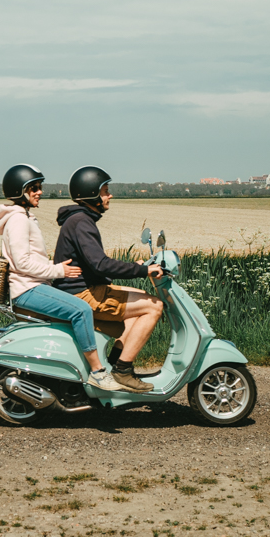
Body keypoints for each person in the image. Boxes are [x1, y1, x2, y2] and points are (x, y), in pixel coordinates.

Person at [0, 164, 122, 392]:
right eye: (33, 188)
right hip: (27, 290)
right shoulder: (18, 220)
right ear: (18, 191)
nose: (39, 192)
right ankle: (98, 373)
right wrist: (59, 272)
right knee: (81, 309)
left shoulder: (24, 217)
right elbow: (22, 263)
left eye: (39, 187)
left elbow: (30, 258)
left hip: (33, 286)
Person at [52, 166, 165, 393]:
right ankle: (123, 370)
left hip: (82, 288)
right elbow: (100, 263)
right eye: (105, 191)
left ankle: (115, 362)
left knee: (141, 297)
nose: (109, 195)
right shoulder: (82, 222)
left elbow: (92, 264)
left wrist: (137, 268)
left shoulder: (78, 219)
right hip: (80, 294)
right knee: (155, 306)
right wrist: (142, 271)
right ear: (91, 194)